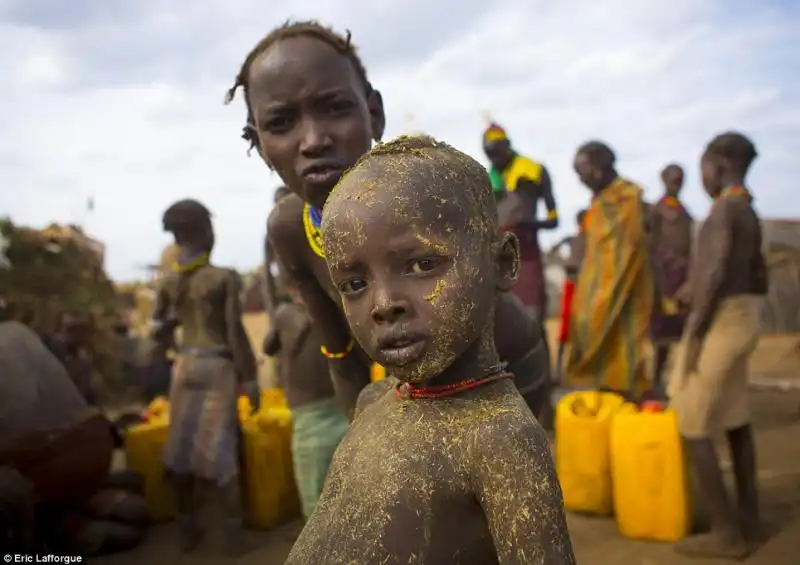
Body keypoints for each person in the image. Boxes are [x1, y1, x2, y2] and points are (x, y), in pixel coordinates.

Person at [224, 21, 550, 421]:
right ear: (259, 146)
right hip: (419, 387)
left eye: (335, 108)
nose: (313, 141)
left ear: (374, 114)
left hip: (507, 369)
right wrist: (357, 448)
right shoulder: (290, 228)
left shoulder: (427, 192)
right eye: (281, 123)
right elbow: (340, 355)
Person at [285, 135, 575, 565]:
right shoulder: (374, 400)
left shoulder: (500, 439)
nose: (384, 305)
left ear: (502, 263)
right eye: (355, 284)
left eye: (422, 265)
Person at [668, 132, 767, 560]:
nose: (701, 175)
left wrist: (697, 328)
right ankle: (750, 518)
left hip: (721, 320)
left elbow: (715, 271)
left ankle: (725, 535)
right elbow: (754, 273)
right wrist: (701, 289)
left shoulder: (723, 211)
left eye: (704, 165)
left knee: (690, 417)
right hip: (745, 314)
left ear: (720, 163)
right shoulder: (747, 208)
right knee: (736, 415)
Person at [153, 199, 257, 555]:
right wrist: (252, 378)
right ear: (205, 232)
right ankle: (233, 537)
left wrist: (170, 344)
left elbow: (159, 331)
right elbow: (234, 332)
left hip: (184, 366)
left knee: (181, 448)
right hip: (217, 367)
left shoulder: (168, 281)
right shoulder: (223, 277)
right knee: (221, 449)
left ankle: (187, 530)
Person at [566, 141, 653, 394]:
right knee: (586, 332)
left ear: (597, 169)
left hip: (626, 286)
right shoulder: (599, 202)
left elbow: (629, 248)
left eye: (581, 171)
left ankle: (624, 403)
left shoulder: (627, 197)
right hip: (594, 287)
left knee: (624, 345)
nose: (580, 179)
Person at [266, 290, 348, 521]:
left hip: (308, 411)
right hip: (341, 401)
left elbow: (268, 347)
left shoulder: (285, 314)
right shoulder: (337, 309)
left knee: (314, 490)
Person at [483, 121, 559, 322]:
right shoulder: (487, 179)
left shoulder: (533, 170)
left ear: (507, 144)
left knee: (531, 317)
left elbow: (554, 220)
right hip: (496, 256)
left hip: (525, 252)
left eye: (497, 151)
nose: (493, 158)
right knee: (498, 322)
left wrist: (527, 224)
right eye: (489, 153)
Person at [649, 164, 693, 390]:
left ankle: (677, 382)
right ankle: (655, 381)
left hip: (683, 278)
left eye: (681, 179)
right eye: (673, 178)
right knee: (661, 336)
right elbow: (650, 246)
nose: (677, 182)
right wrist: (660, 284)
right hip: (663, 278)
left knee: (682, 332)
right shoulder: (656, 210)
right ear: (663, 179)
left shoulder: (685, 212)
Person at [550, 209, 587, 381]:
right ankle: (558, 370)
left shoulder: (592, 240)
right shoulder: (573, 239)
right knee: (565, 326)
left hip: (585, 286)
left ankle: (578, 371)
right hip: (571, 284)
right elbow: (556, 246)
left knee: (582, 327)